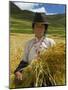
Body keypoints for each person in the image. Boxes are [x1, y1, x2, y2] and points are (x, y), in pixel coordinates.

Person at [14, 12, 56, 86]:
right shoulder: (29, 44)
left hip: (47, 79)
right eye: (37, 26)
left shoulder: (51, 42)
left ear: (45, 28)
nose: (39, 29)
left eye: (42, 26)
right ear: (33, 28)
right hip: (31, 78)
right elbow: (24, 61)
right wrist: (18, 71)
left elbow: (56, 61)